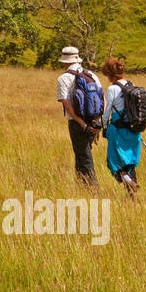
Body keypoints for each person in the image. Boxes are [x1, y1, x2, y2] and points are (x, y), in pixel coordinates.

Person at [56, 45, 103, 187]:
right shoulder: (92, 75)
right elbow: (102, 98)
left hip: (77, 123)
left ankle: (92, 188)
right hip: (94, 121)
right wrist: (98, 122)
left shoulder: (63, 78)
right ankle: (82, 185)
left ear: (65, 62)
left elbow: (66, 103)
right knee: (83, 154)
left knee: (83, 156)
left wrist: (82, 124)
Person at [101, 56, 142, 196]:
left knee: (113, 162)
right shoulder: (131, 84)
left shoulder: (112, 89)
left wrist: (103, 126)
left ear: (110, 74)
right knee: (129, 162)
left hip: (117, 129)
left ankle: (127, 181)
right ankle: (132, 194)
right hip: (134, 129)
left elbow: (107, 111)